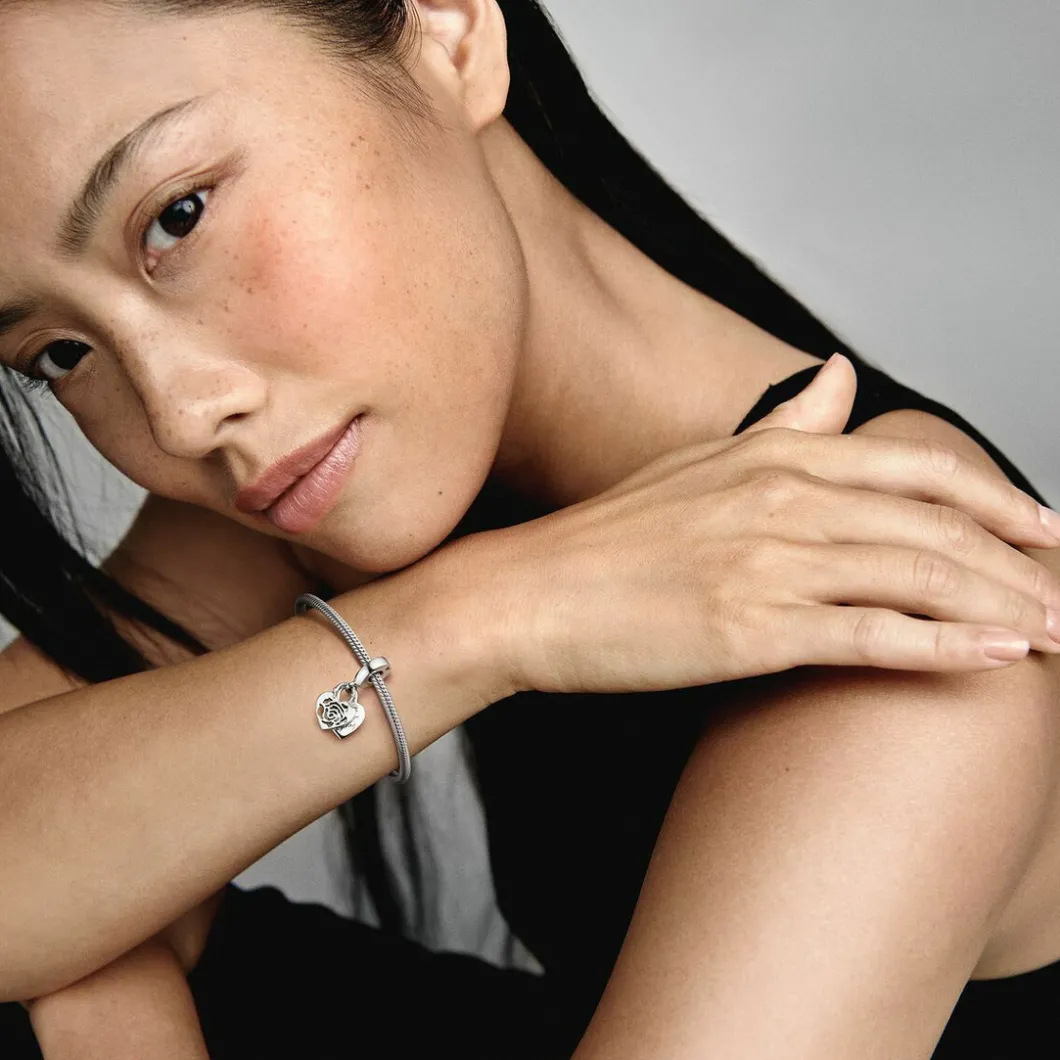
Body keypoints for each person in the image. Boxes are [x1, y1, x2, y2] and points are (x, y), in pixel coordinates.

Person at [0, 1, 1057, 1057]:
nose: (179, 414)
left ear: (451, 32)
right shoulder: (322, 464)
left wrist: (90, 949)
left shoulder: (902, 603)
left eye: (178, 216)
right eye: (59, 353)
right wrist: (479, 619)